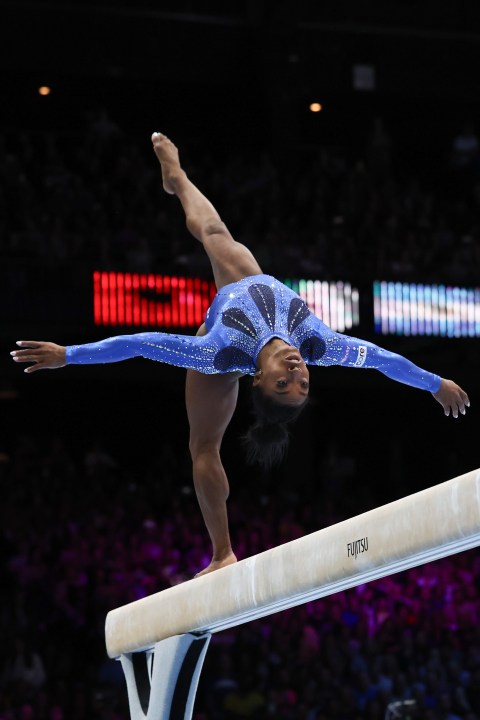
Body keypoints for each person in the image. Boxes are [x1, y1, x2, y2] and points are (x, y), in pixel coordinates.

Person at [10, 132, 470, 576]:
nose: (295, 372)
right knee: (211, 230)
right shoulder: (318, 343)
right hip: (243, 282)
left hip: (221, 325)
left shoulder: (218, 353)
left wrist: (68, 354)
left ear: (257, 379)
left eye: (282, 384)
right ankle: (177, 178)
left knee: (203, 445)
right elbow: (386, 361)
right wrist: (436, 383)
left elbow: (136, 344)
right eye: (302, 382)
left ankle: (222, 553)